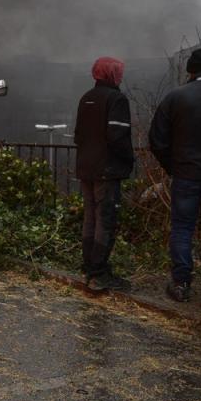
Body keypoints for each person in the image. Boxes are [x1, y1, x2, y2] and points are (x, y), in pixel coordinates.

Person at [149, 48, 201, 307]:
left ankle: (181, 284)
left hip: (186, 175)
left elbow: (157, 139)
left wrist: (173, 166)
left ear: (190, 70)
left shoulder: (176, 97)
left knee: (182, 228)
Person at [73, 56, 135, 292]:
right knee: (106, 219)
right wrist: (129, 160)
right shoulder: (116, 99)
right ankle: (99, 273)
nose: (121, 75)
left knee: (90, 217)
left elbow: (79, 135)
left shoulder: (86, 97)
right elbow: (117, 137)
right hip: (107, 169)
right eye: (119, 72)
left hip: (85, 167)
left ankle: (88, 266)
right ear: (112, 74)